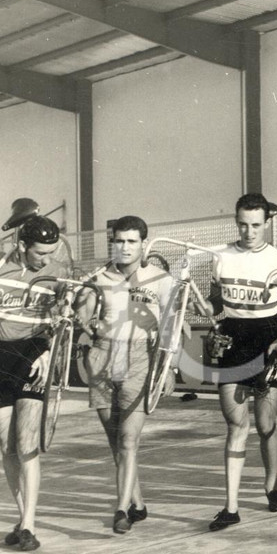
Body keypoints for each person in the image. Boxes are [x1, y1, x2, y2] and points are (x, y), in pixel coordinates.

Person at [76, 215, 173, 534]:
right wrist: (82, 307)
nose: (125, 247)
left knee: (129, 439)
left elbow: (173, 326)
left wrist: (169, 367)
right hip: (103, 356)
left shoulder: (160, 278)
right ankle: (138, 502)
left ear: (143, 243)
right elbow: (82, 319)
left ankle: (120, 510)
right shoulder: (99, 277)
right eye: (119, 241)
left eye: (132, 241)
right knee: (114, 439)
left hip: (140, 358)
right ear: (112, 243)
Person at [0, 214, 66, 551]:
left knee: (26, 444)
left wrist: (48, 349)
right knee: (7, 448)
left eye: (51, 252)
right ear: (23, 246)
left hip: (33, 355)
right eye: (41, 253)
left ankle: (29, 524)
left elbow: (63, 320)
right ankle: (21, 517)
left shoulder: (58, 272)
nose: (46, 259)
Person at [204, 193, 277, 531]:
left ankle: (271, 484)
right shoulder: (221, 257)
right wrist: (214, 326)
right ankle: (230, 507)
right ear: (236, 221)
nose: (249, 231)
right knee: (235, 426)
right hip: (233, 346)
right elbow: (216, 299)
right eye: (243, 224)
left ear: (267, 223)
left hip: (266, 345)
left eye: (256, 225)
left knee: (266, 424)